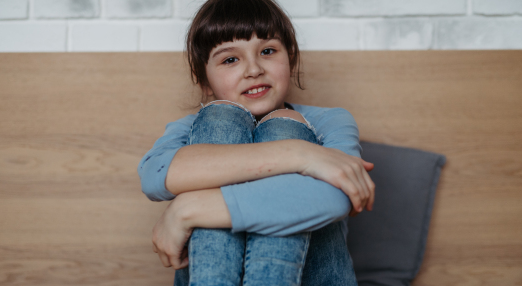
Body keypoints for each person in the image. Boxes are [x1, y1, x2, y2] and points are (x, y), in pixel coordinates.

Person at [137, 0, 375, 285]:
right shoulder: (189, 130)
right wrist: (301, 156)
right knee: (218, 120)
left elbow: (339, 197)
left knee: (286, 125)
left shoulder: (329, 121)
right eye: (230, 59)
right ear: (205, 82)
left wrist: (188, 209)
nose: (253, 69)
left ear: (291, 58)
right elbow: (155, 177)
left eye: (268, 51)